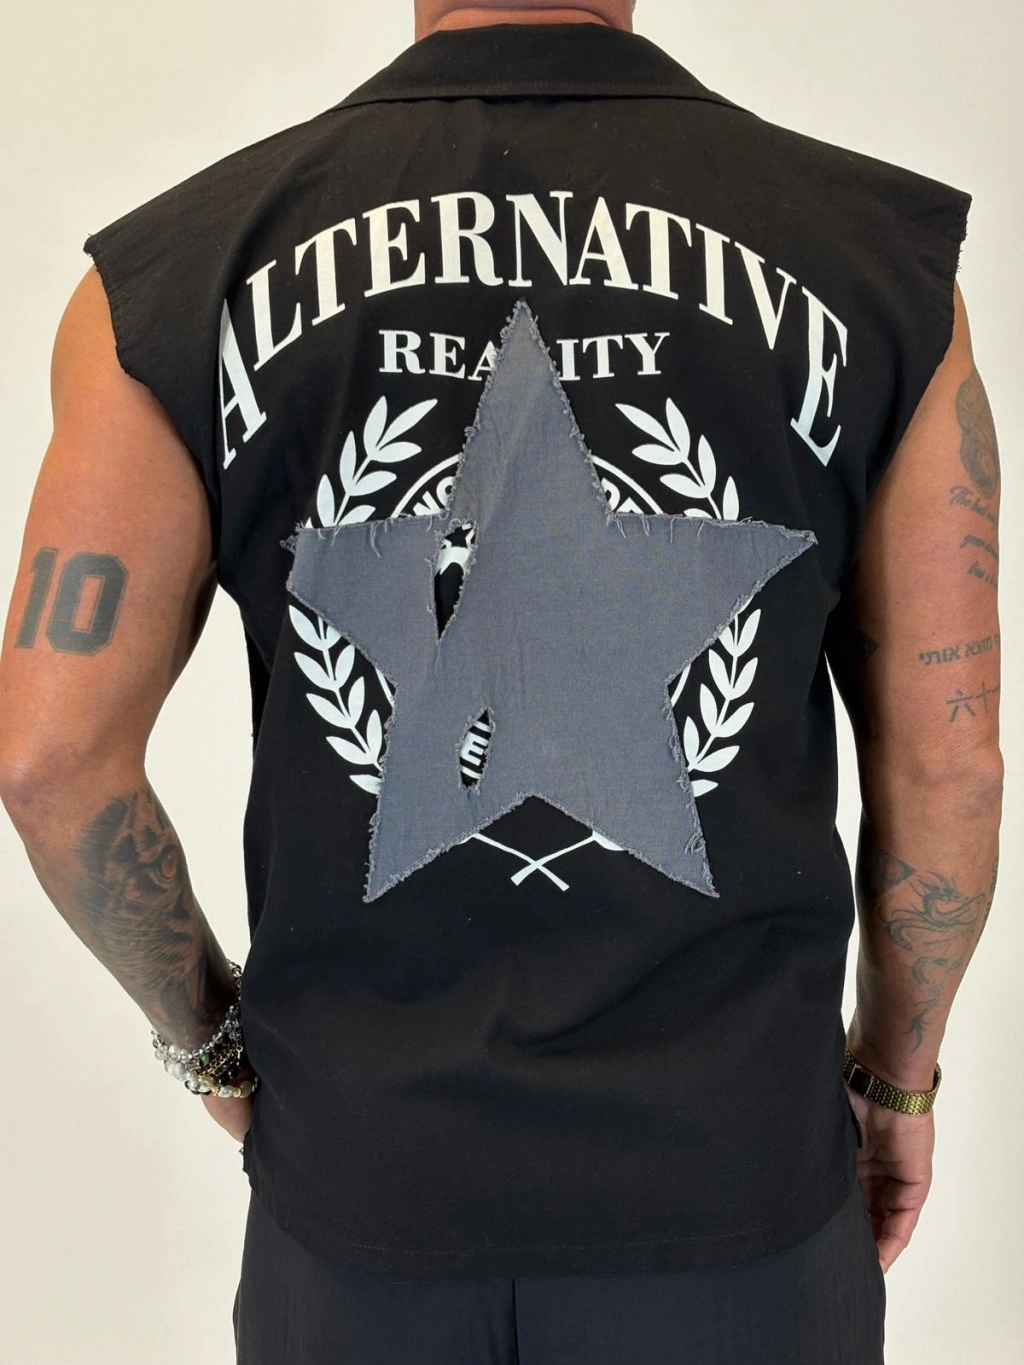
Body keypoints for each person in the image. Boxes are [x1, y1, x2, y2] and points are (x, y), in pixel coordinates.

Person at [0, 2, 1001, 1362]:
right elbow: (950, 761)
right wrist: (897, 1076)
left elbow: (50, 757)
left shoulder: (175, 279)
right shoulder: (880, 268)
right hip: (738, 1197)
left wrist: (213, 1046)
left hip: (358, 1203)